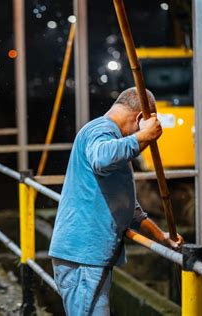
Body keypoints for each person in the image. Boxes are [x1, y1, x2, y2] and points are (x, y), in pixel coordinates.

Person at [48, 87, 183, 315]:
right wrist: (142, 137)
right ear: (141, 118)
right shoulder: (101, 130)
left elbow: (126, 207)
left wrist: (161, 236)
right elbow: (102, 158)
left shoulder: (114, 140)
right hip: (82, 256)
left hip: (88, 255)